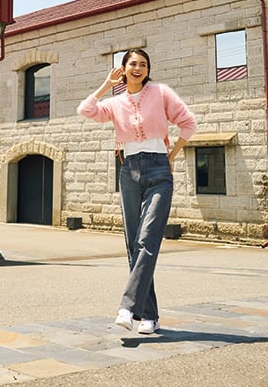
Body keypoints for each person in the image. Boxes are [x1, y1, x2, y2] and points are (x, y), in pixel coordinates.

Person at [77, 48, 197, 335]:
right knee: (133, 243)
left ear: (148, 69)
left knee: (148, 238)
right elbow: (86, 110)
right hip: (128, 170)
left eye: (143, 64)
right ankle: (150, 316)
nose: (138, 68)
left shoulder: (161, 93)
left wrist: (171, 156)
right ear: (123, 68)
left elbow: (188, 123)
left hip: (158, 170)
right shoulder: (115, 102)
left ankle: (128, 308)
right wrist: (107, 84)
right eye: (133, 63)